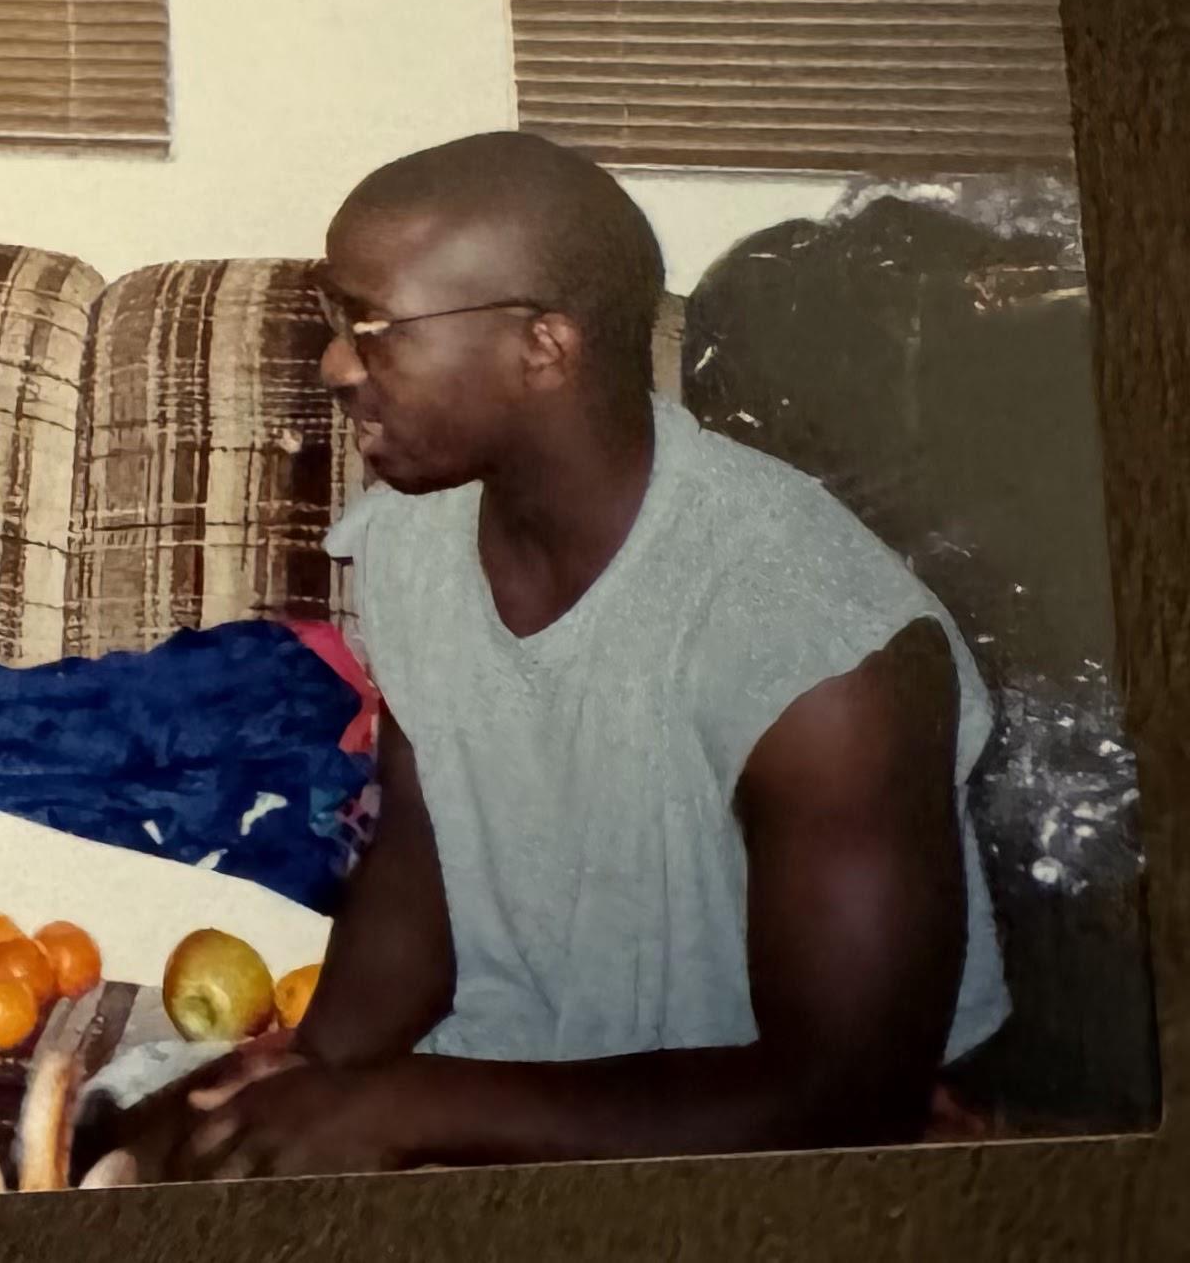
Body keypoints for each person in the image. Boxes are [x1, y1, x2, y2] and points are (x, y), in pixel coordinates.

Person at [168, 130, 1006, 1181]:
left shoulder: (824, 645)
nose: (335, 365)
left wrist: (402, 1105)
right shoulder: (415, 541)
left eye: (370, 328)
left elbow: (846, 1094)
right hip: (512, 1081)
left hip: (756, 1141)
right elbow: (422, 859)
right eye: (334, 320)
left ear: (543, 347)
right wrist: (311, 1073)